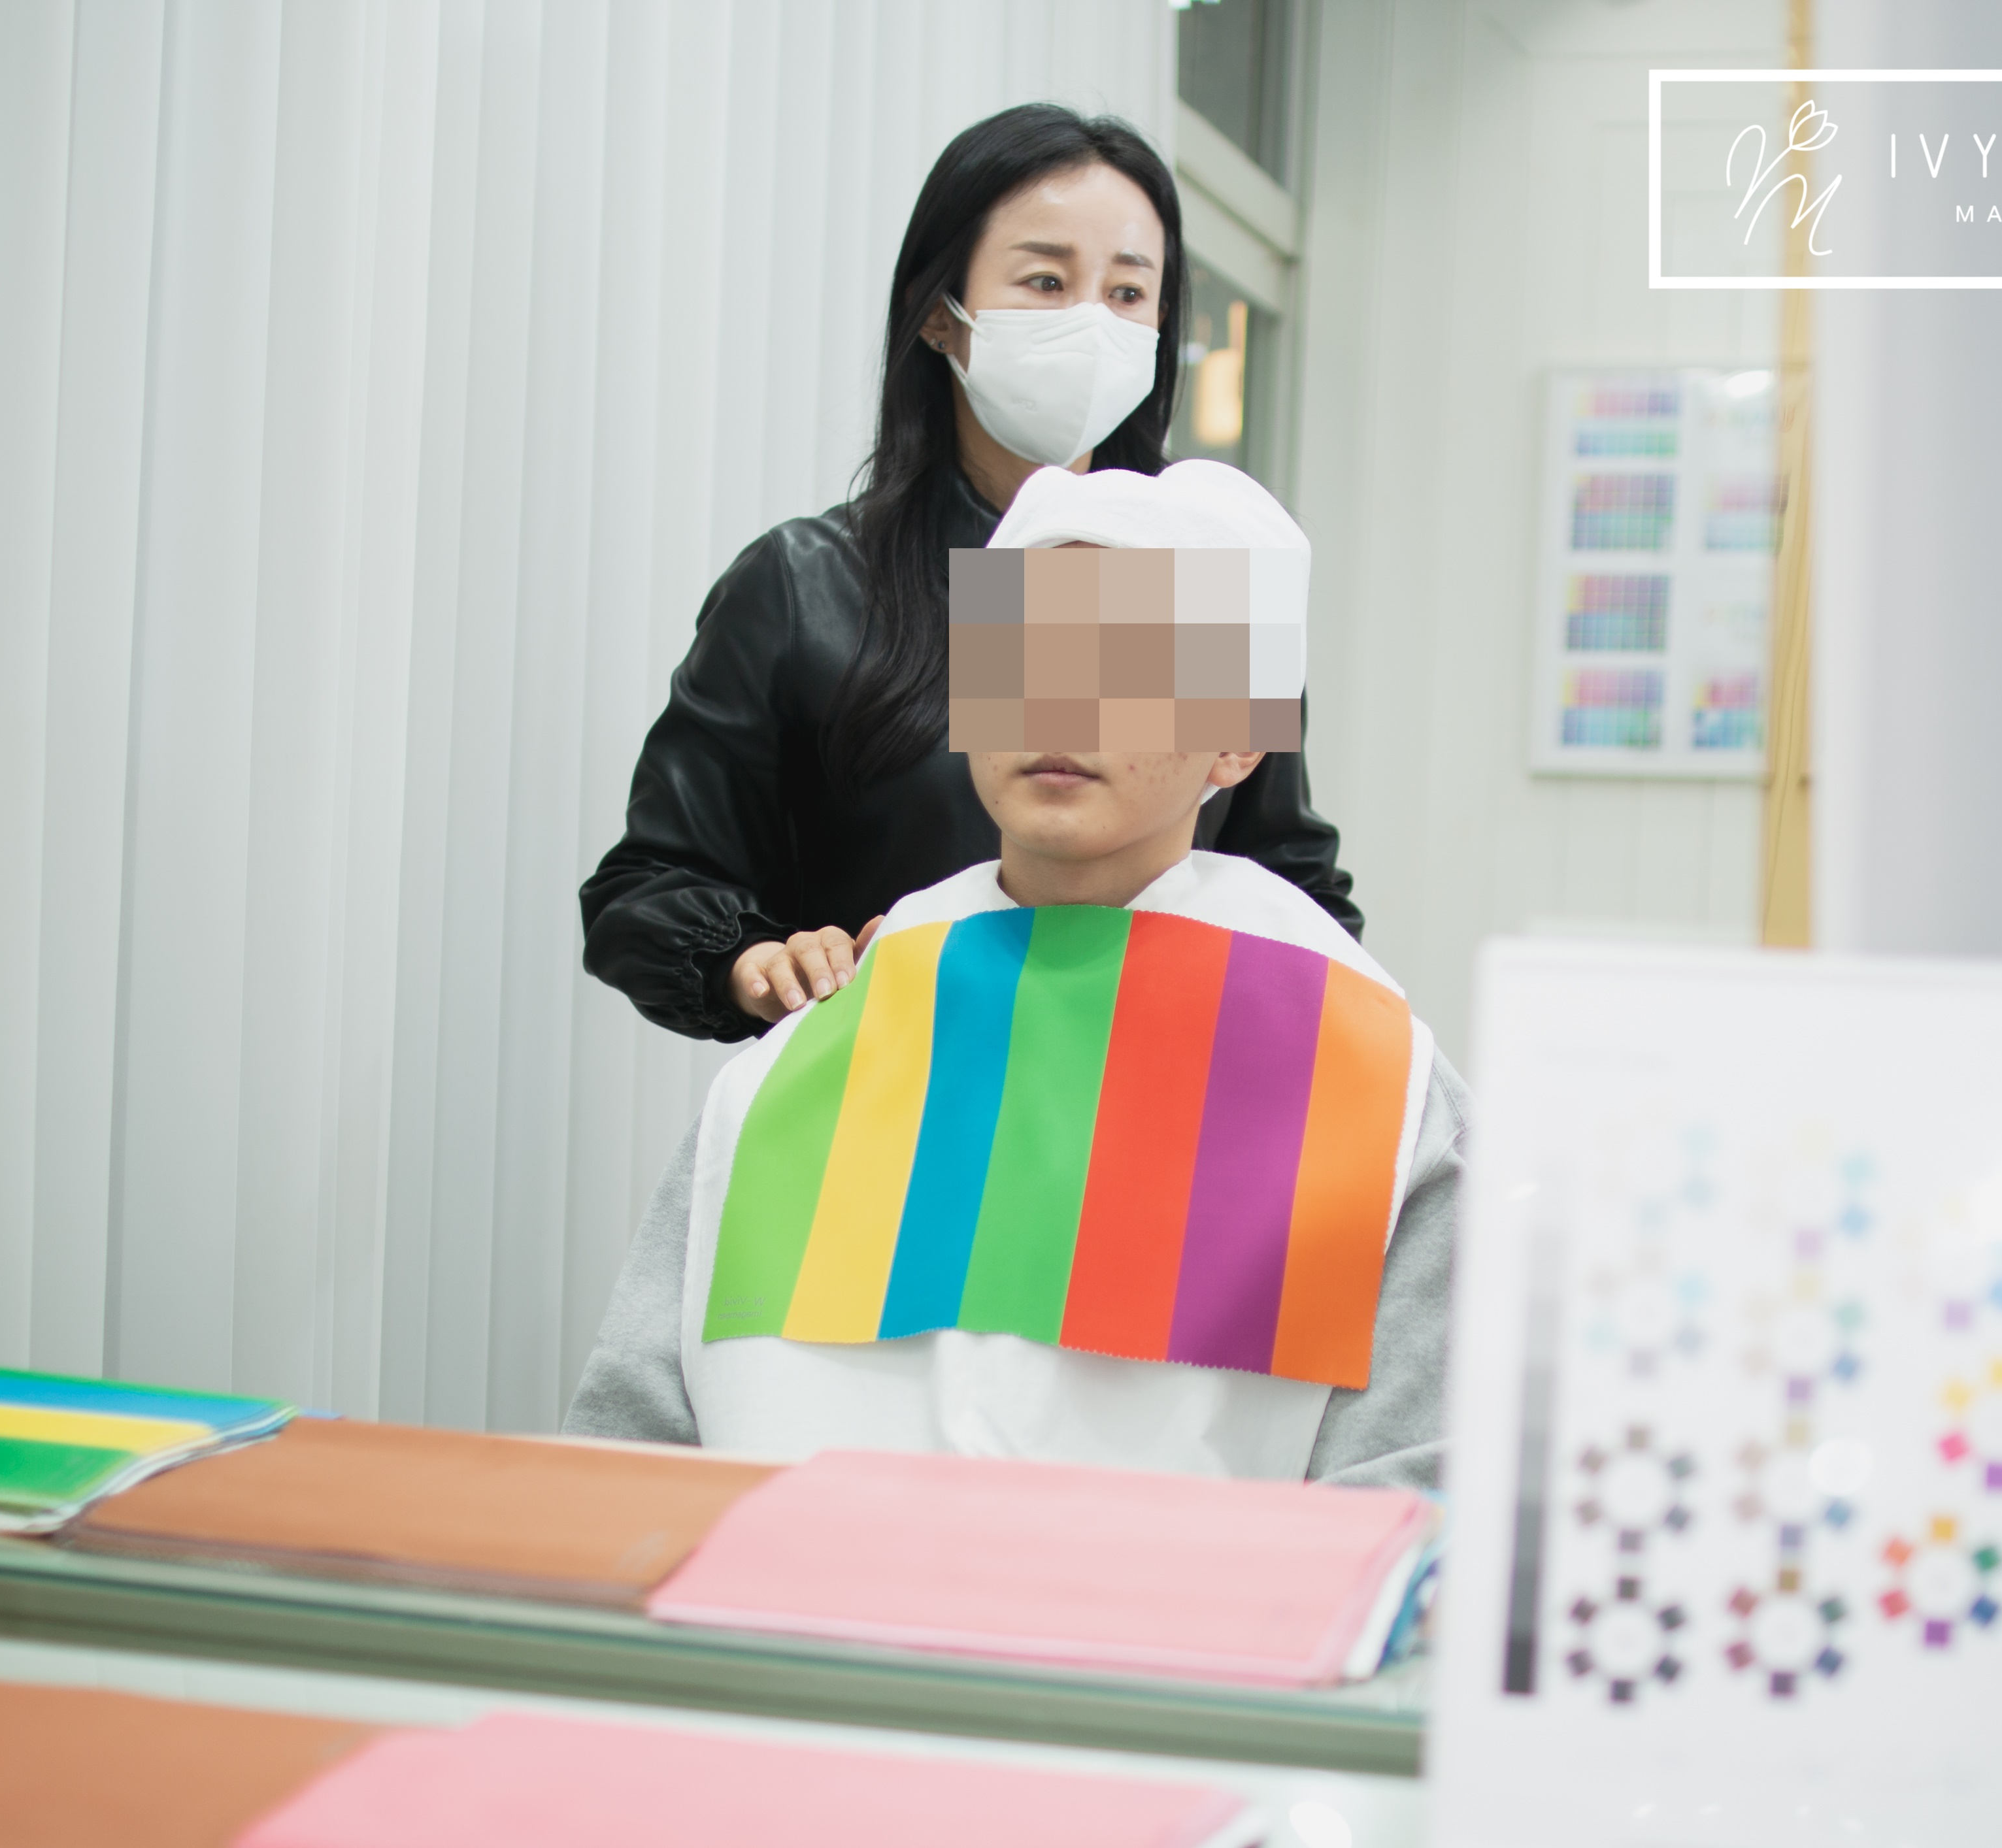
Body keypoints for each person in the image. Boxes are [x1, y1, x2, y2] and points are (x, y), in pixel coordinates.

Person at [566, 465, 1467, 1489]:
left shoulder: (1367, 1077)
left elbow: (1410, 1495)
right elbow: (631, 1444)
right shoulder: (822, 1039)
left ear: (1234, 739)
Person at [580, 103, 1358, 1044]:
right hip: (894, 1089)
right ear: (939, 315)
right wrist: (762, 962)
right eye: (1045, 281)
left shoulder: (1216, 568)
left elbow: (1293, 883)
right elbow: (646, 888)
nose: (1089, 323)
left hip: (1154, 1090)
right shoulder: (805, 585)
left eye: (1126, 293)